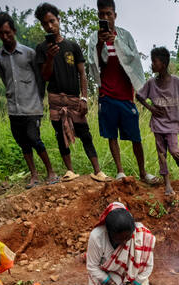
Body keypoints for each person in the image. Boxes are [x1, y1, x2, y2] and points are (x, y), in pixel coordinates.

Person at [35, 3, 110, 183]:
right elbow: (44, 76)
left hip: (74, 98)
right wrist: (51, 57)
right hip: (55, 99)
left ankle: (98, 171)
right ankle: (70, 170)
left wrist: (84, 97)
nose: (50, 26)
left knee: (85, 133)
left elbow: (82, 73)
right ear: (42, 26)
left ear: (58, 20)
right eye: (45, 24)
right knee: (61, 135)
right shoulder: (41, 48)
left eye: (52, 21)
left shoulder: (72, 46)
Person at [86, 0, 158, 183]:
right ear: (98, 15)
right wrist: (100, 45)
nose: (105, 17)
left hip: (126, 95)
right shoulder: (94, 38)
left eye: (108, 14)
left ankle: (143, 173)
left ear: (115, 15)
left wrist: (115, 40)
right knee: (111, 134)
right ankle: (120, 171)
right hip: (107, 94)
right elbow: (96, 65)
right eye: (101, 14)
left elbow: (133, 59)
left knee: (135, 136)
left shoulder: (125, 36)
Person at [0, 12, 57, 188]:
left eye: (8, 33)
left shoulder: (29, 54)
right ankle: (34, 176)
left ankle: (51, 172)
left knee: (34, 138)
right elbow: (5, 79)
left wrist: (38, 100)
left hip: (32, 107)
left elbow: (40, 78)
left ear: (14, 30)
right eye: (1, 34)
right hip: (14, 108)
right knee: (23, 142)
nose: (5, 37)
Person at [136, 47, 179, 196]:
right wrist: (151, 108)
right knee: (161, 154)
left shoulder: (176, 81)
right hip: (158, 124)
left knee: (175, 151)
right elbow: (139, 96)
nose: (152, 65)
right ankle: (167, 184)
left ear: (163, 63)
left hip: (172, 124)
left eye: (154, 62)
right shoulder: (151, 83)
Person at [86, 202, 154, 285]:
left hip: (134, 274)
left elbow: (148, 267)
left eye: (127, 238)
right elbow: (92, 267)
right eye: (119, 239)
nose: (124, 242)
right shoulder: (97, 236)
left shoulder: (142, 236)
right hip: (109, 275)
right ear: (108, 232)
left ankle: (140, 284)